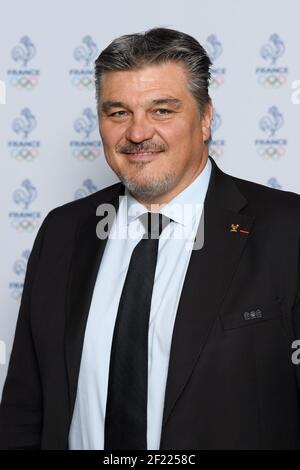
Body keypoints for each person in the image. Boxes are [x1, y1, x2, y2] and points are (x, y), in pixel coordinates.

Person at [0, 27, 300, 450]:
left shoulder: (288, 230)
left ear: (206, 117)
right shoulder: (63, 233)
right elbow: (24, 408)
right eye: (118, 113)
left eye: (161, 111)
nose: (138, 134)